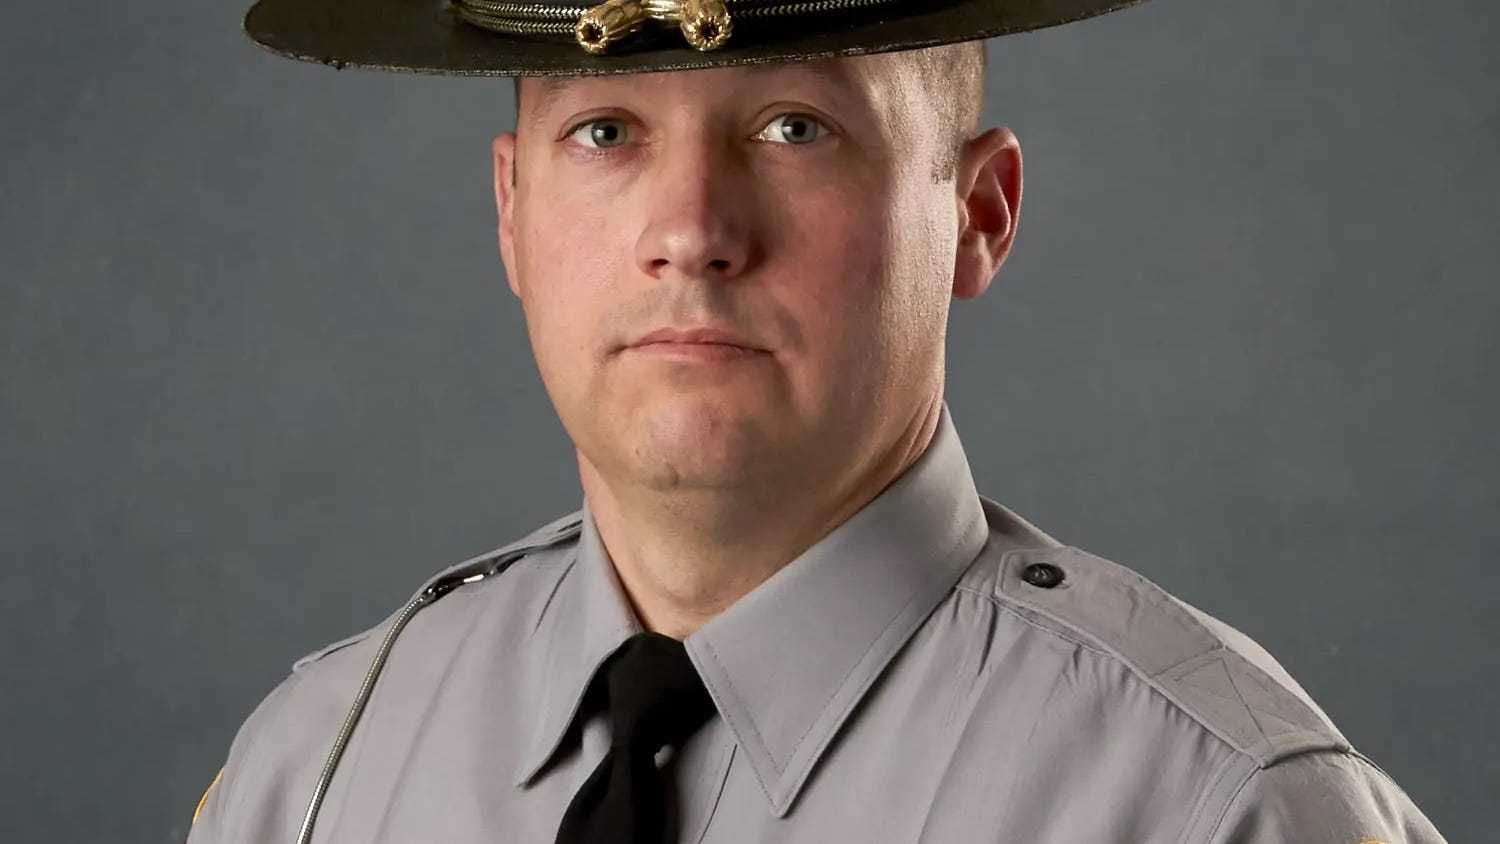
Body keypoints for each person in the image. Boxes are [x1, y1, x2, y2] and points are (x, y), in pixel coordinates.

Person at [190, 1, 1447, 841]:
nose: (691, 231)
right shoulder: (317, 774)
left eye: (795, 128)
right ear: (512, 212)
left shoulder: (1208, 807)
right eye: (606, 130)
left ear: (979, 213)